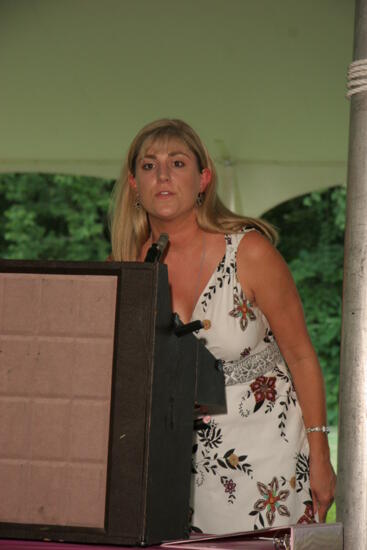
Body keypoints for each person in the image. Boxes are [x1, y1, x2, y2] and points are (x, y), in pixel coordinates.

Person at [109, 118, 336, 534]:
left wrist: (320, 453)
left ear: (203, 179)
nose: (162, 175)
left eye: (177, 163)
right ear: (132, 185)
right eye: (148, 165)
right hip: (175, 460)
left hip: (269, 452)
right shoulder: (126, 270)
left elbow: (302, 354)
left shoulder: (250, 252)